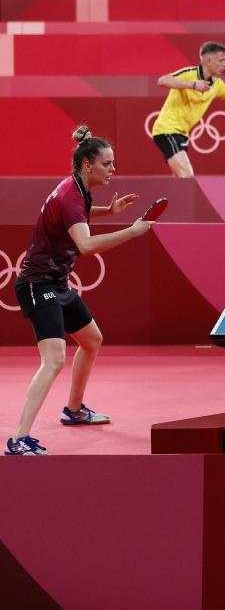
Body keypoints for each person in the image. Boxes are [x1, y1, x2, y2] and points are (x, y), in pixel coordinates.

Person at [5, 126, 154, 456]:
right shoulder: (73, 195)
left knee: (92, 340)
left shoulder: (78, 187)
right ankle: (18, 440)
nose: (113, 170)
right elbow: (85, 245)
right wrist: (131, 230)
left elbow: (77, 216)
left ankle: (73, 411)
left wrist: (109, 212)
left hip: (57, 283)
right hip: (36, 285)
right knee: (54, 358)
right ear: (89, 165)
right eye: (108, 164)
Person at [152, 41, 225, 178]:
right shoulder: (189, 74)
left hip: (181, 133)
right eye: (221, 60)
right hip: (167, 130)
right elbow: (162, 81)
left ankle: (166, 199)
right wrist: (192, 85)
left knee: (178, 179)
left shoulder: (217, 84)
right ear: (209, 61)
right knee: (187, 176)